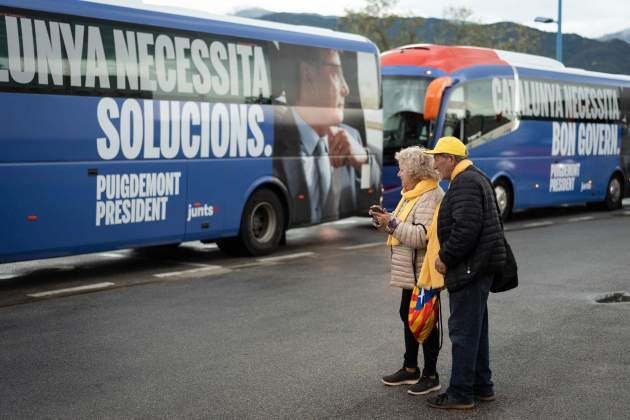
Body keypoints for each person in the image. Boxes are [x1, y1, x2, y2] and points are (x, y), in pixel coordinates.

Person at [423, 136, 506, 410]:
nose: (435, 164)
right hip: (479, 267)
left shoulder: (466, 182)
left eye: (438, 158)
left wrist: (445, 257)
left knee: (463, 332)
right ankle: (483, 386)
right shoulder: (473, 177)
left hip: (470, 268)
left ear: (452, 159)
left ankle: (460, 393)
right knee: (476, 330)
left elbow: (466, 228)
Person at [273, 46, 380, 224]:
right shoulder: (272, 139)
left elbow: (372, 199)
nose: (346, 89)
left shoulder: (351, 137)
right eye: (337, 73)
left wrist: (362, 163)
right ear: (307, 75)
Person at [370, 146, 444, 396]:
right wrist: (385, 220)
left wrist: (391, 222)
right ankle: (410, 368)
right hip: (409, 271)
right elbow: (401, 226)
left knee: (425, 321)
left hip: (422, 272)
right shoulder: (413, 193)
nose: (399, 174)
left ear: (415, 172)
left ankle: (431, 375)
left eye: (402, 170)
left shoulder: (430, 196)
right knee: (409, 315)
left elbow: (421, 236)